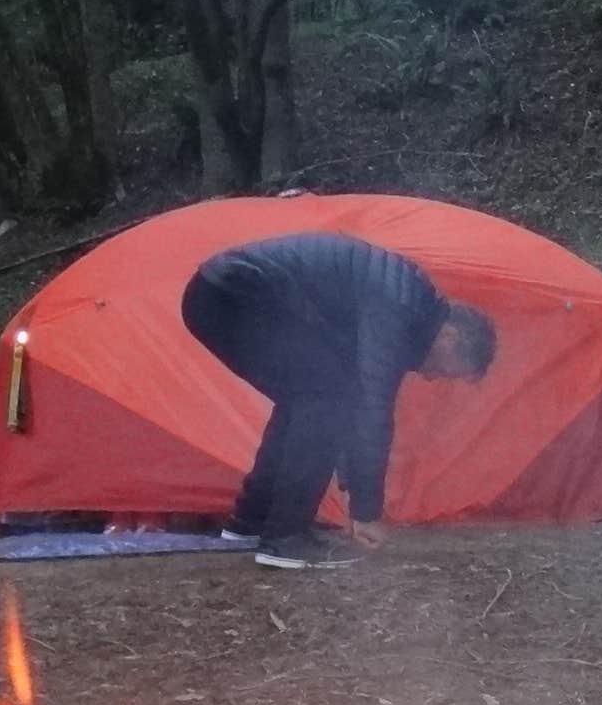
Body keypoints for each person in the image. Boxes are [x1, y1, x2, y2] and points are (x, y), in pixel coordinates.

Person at [180, 233, 496, 570]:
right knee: (323, 398)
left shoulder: (407, 307)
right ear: (451, 336)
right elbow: (372, 407)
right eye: (448, 370)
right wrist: (366, 511)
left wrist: (349, 484)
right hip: (235, 295)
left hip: (223, 292)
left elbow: (356, 396)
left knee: (310, 398)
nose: (434, 378)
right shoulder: (400, 309)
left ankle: (250, 524)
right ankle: (285, 539)